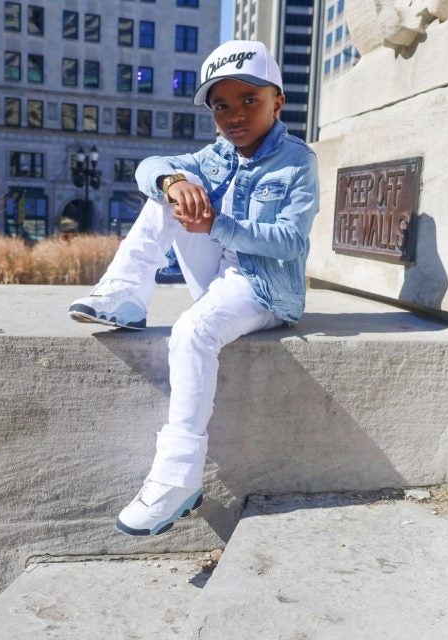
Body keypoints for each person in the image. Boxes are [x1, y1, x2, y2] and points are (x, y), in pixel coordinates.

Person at [68, 40, 319, 536]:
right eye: (221, 106)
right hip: (218, 276)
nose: (234, 115)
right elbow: (148, 167)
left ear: (278, 102)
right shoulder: (216, 155)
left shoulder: (296, 161)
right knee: (167, 190)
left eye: (249, 100)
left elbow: (290, 241)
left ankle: (178, 476)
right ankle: (124, 294)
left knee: (191, 333)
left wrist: (217, 226)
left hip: (264, 288)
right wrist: (173, 182)